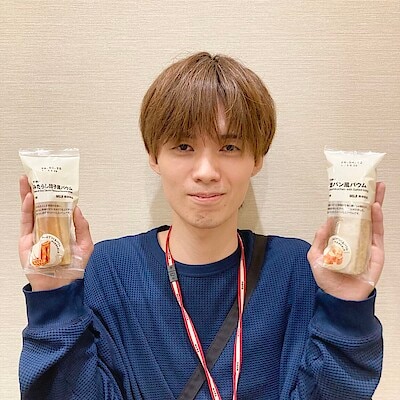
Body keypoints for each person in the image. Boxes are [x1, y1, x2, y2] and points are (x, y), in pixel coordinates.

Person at [18, 52, 385, 399]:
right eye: (183, 146)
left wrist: (346, 307)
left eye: (229, 148)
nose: (207, 172)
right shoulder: (110, 270)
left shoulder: (296, 269)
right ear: (153, 156)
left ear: (257, 158)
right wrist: (53, 300)